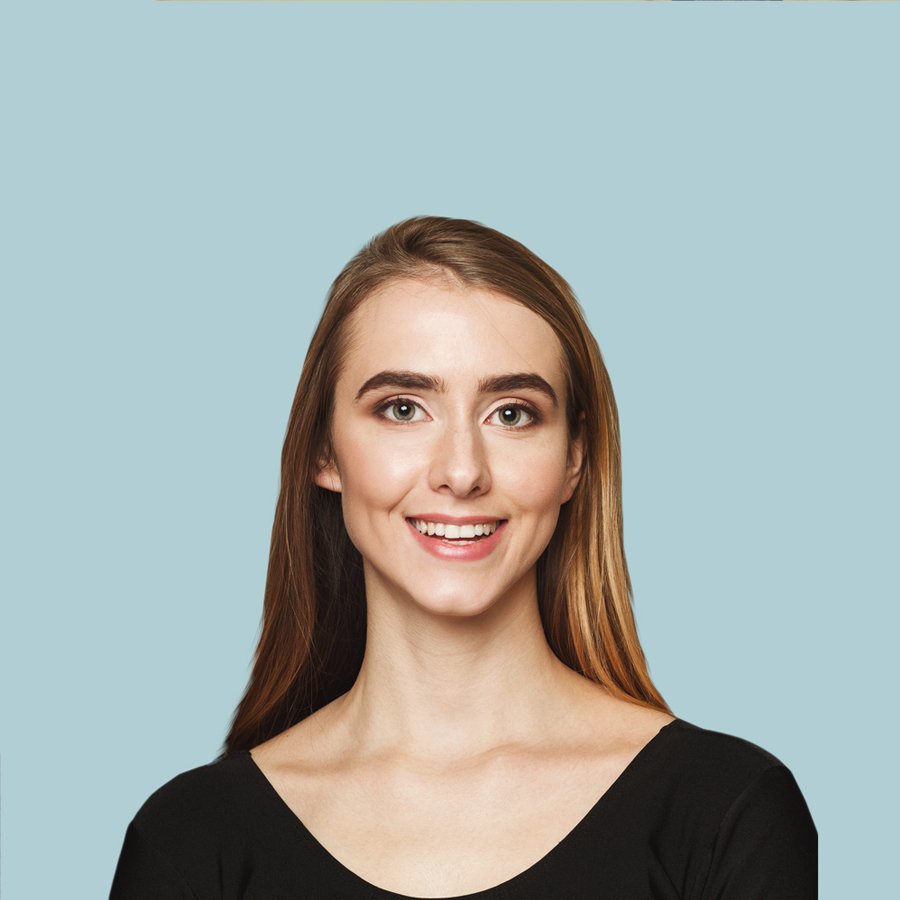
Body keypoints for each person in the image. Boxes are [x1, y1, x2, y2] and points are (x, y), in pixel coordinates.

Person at [110, 216, 817, 899]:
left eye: (511, 412)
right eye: (402, 408)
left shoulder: (728, 813)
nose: (460, 471)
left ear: (575, 458)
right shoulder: (190, 840)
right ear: (324, 451)